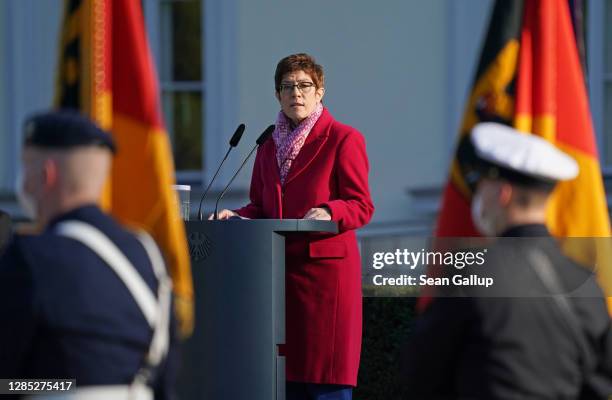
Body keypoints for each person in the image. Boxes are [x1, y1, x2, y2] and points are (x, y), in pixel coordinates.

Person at [401, 122, 612, 399]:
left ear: (503, 193)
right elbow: (601, 384)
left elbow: (422, 377)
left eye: (481, 186)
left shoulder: (470, 271)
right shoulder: (585, 282)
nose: (477, 197)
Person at [215, 53, 374, 399]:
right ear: (277, 96)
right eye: (287, 87)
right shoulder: (266, 145)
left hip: (323, 284)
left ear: (320, 92)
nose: (296, 93)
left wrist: (330, 210)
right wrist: (237, 216)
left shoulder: (343, 139)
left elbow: (361, 205)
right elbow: (260, 206)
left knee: (323, 385)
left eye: (305, 85)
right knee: (283, 383)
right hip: (276, 282)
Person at [0, 111, 176, 399]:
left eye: (25, 167)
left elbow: (7, 379)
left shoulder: (28, 258)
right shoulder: (146, 254)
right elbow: (164, 382)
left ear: (46, 175)